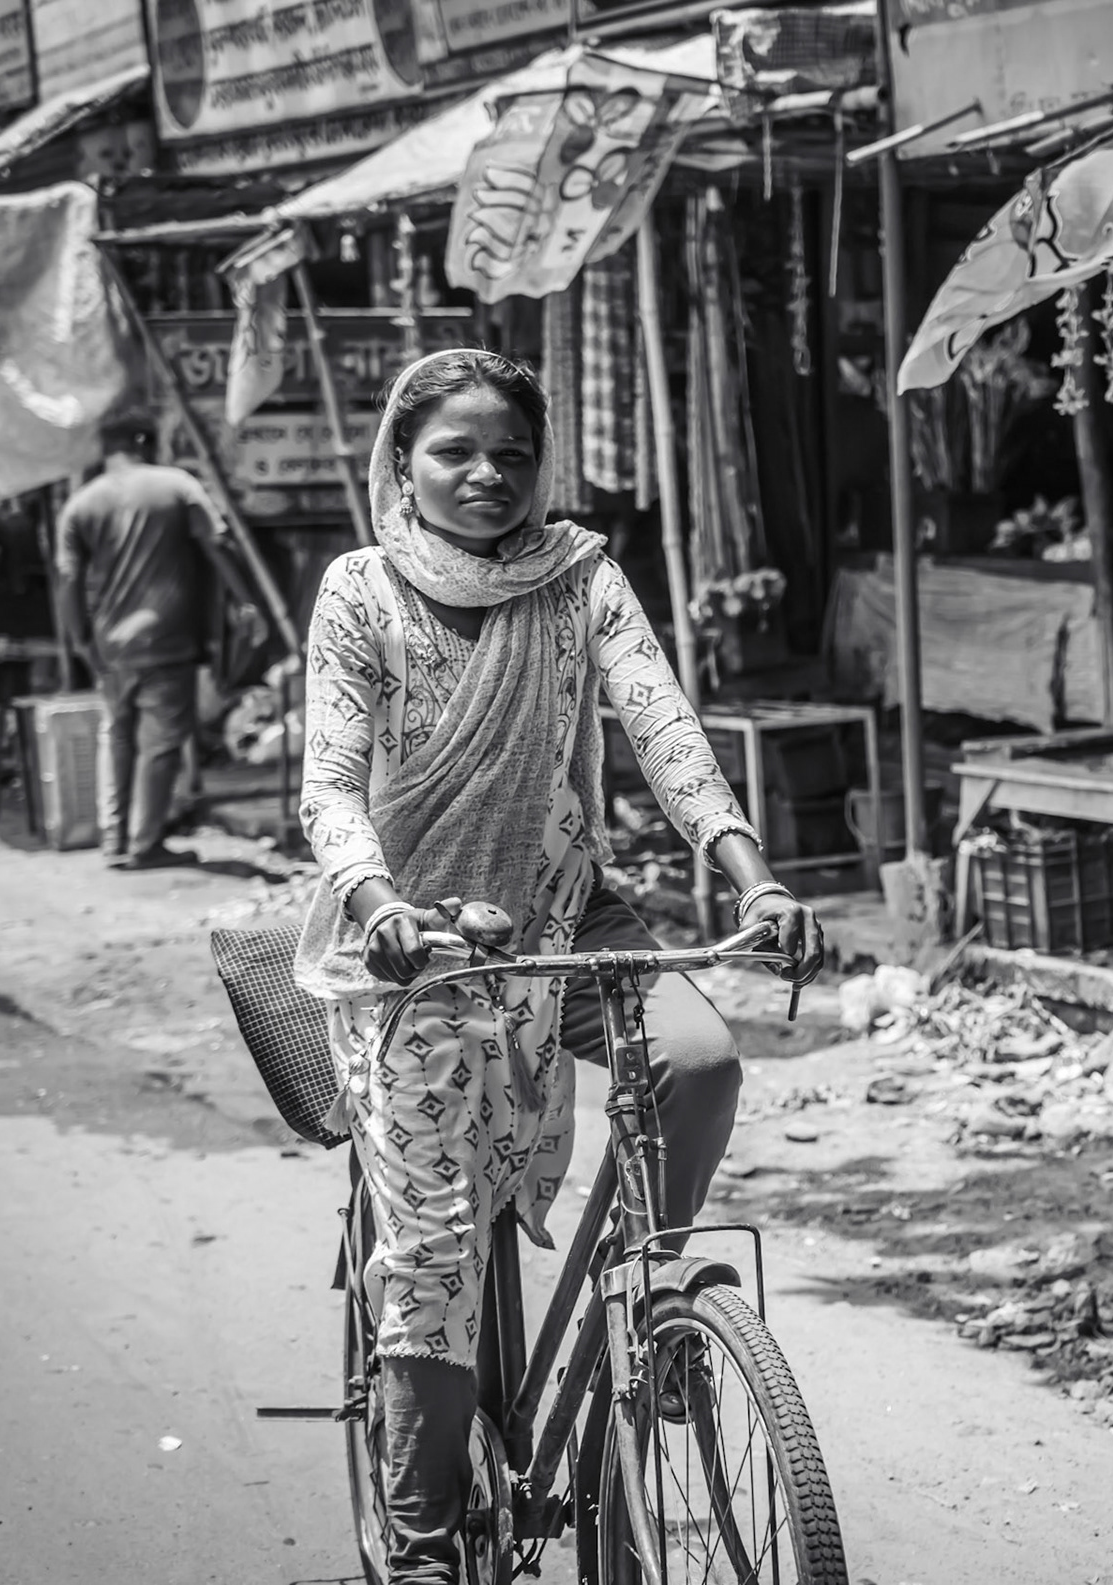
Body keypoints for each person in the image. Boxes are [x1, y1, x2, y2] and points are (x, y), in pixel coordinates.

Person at [293, 349, 823, 1585]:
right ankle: (423, 1550)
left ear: (544, 467)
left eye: (512, 453)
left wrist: (756, 876)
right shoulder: (359, 592)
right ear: (401, 462)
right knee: (433, 1252)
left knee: (699, 1059)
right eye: (454, 452)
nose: (486, 474)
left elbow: (662, 726)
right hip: (413, 945)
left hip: (566, 911)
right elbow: (329, 777)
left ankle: (661, 1311)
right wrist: (375, 899)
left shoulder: (580, 576)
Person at [57, 412, 262, 869]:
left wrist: (81, 641)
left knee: (118, 736)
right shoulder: (176, 485)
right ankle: (144, 842)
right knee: (160, 744)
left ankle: (115, 839)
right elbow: (219, 543)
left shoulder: (81, 503)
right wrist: (247, 601)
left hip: (110, 644)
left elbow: (67, 580)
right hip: (166, 639)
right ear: (143, 442)